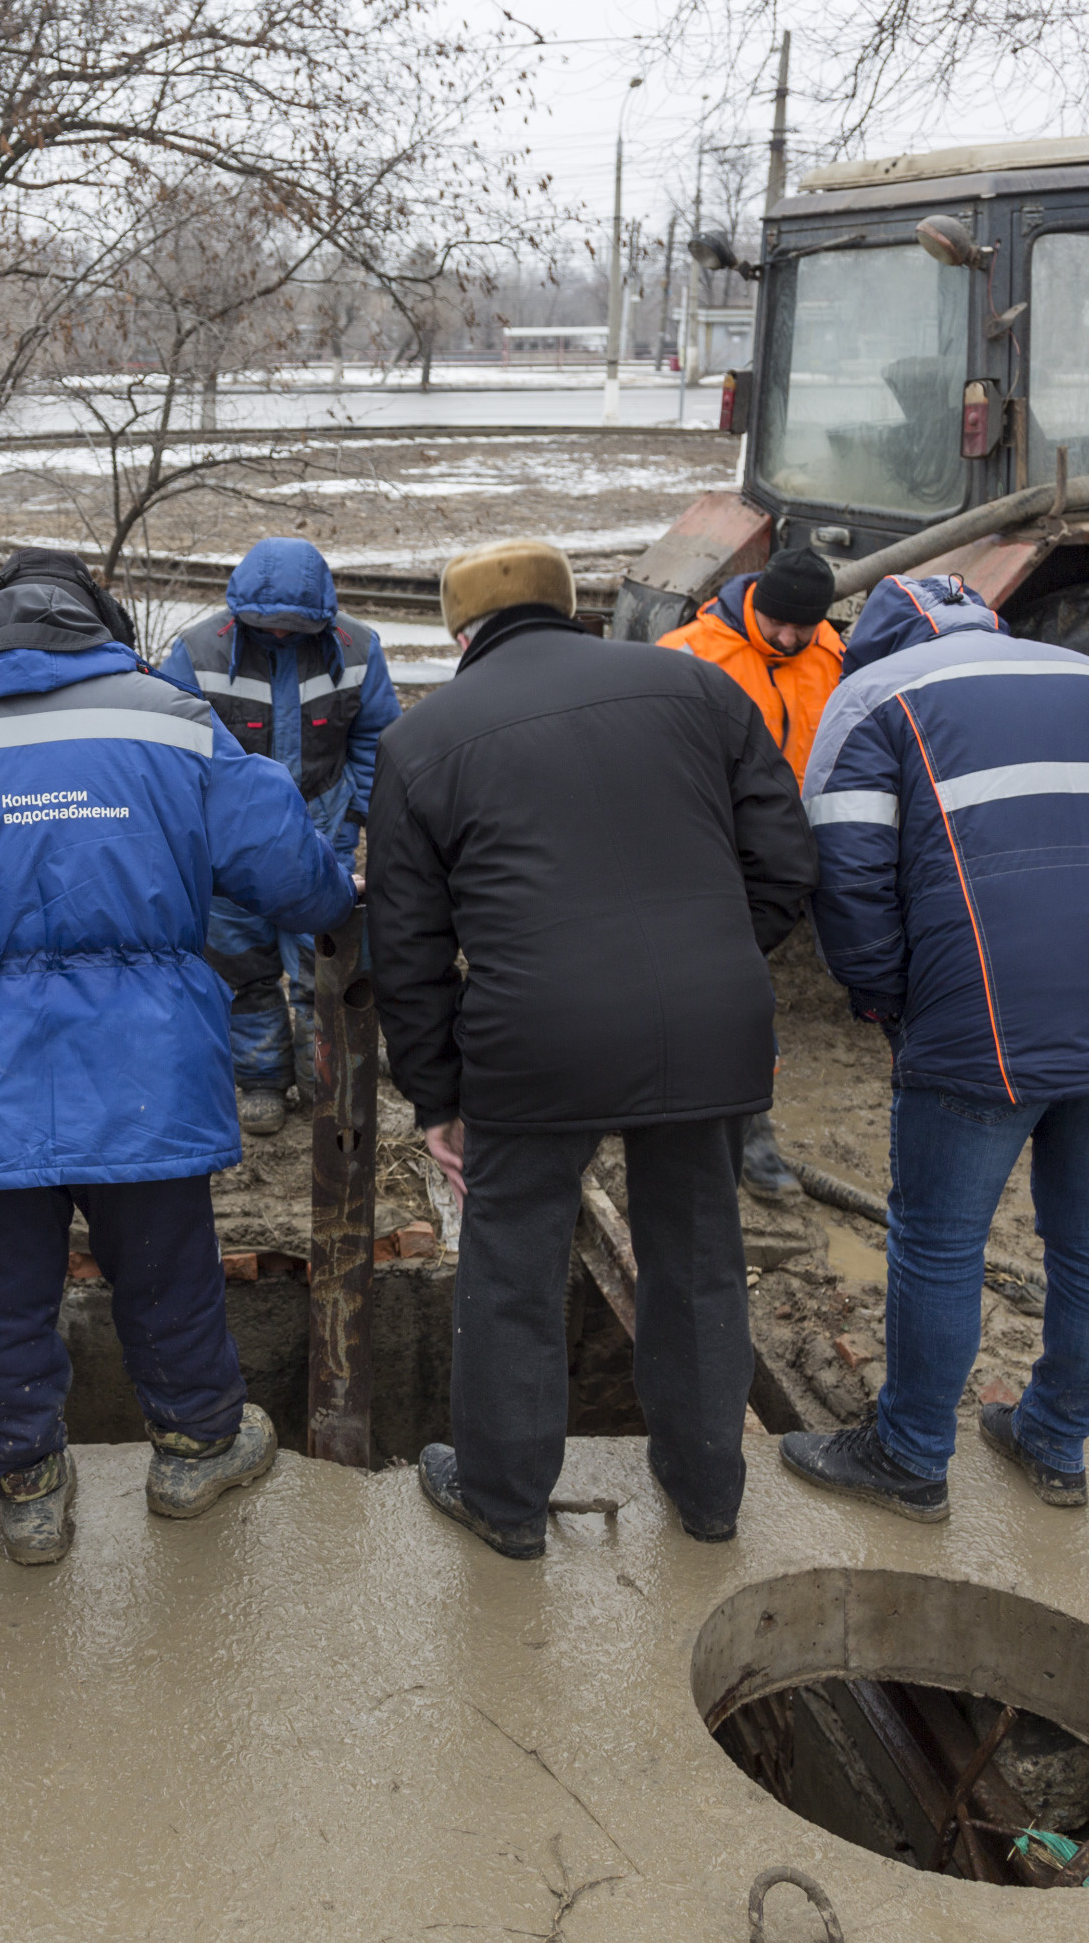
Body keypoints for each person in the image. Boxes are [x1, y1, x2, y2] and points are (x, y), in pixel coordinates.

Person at [0, 547, 354, 1563]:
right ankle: (197, 1448)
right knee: (165, 1266)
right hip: (145, 1062)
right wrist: (334, 904)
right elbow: (280, 855)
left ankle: (27, 1491)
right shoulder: (167, 716)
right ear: (100, 620)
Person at [366, 539, 816, 1558]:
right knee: (700, 1253)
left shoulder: (424, 742)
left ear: (461, 632)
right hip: (709, 1026)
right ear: (576, 610)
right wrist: (713, 961)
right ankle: (709, 1494)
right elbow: (789, 862)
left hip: (538, 1036)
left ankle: (506, 1500)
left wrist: (437, 1096)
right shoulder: (697, 686)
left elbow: (407, 945)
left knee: (514, 1265)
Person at [778, 576, 1089, 1521]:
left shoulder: (875, 697)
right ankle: (1055, 1443)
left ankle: (908, 1456)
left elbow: (848, 873)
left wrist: (890, 1000)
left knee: (940, 1241)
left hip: (978, 1010)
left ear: (878, 643)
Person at [152, 539, 401, 1133]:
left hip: (324, 834)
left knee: (326, 961)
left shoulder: (359, 648)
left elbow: (377, 740)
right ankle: (261, 1079)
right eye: (269, 628)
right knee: (241, 965)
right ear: (241, 615)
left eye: (295, 627)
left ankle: (326, 1074)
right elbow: (167, 750)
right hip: (227, 849)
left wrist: (359, 816)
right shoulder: (194, 652)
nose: (282, 637)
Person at [657, 546, 851, 1199]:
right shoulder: (687, 654)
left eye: (805, 626)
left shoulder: (831, 653)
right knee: (740, 986)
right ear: (755, 601)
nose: (790, 638)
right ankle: (750, 1130)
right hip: (718, 849)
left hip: (799, 844)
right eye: (780, 624)